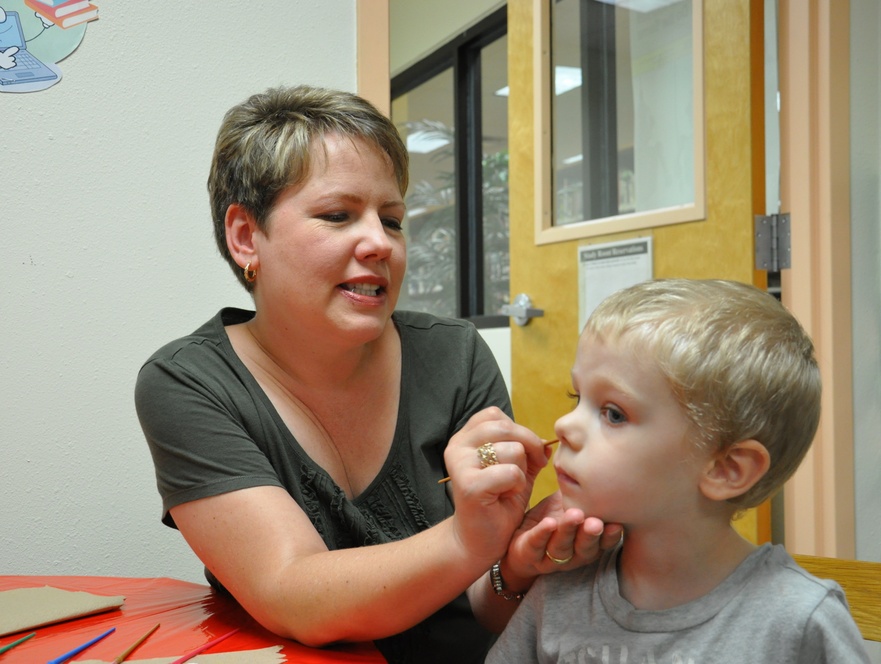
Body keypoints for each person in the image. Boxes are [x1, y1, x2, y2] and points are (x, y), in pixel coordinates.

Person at [134, 85, 622, 664]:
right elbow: (293, 593)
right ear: (245, 236)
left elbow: (486, 595)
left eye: (391, 220)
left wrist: (515, 562)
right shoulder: (189, 383)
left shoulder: (455, 355)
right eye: (338, 215)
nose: (379, 244)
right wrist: (470, 537)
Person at [486, 279, 868, 663]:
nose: (564, 426)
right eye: (578, 397)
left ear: (726, 469)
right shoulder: (559, 591)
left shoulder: (798, 622)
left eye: (613, 413)